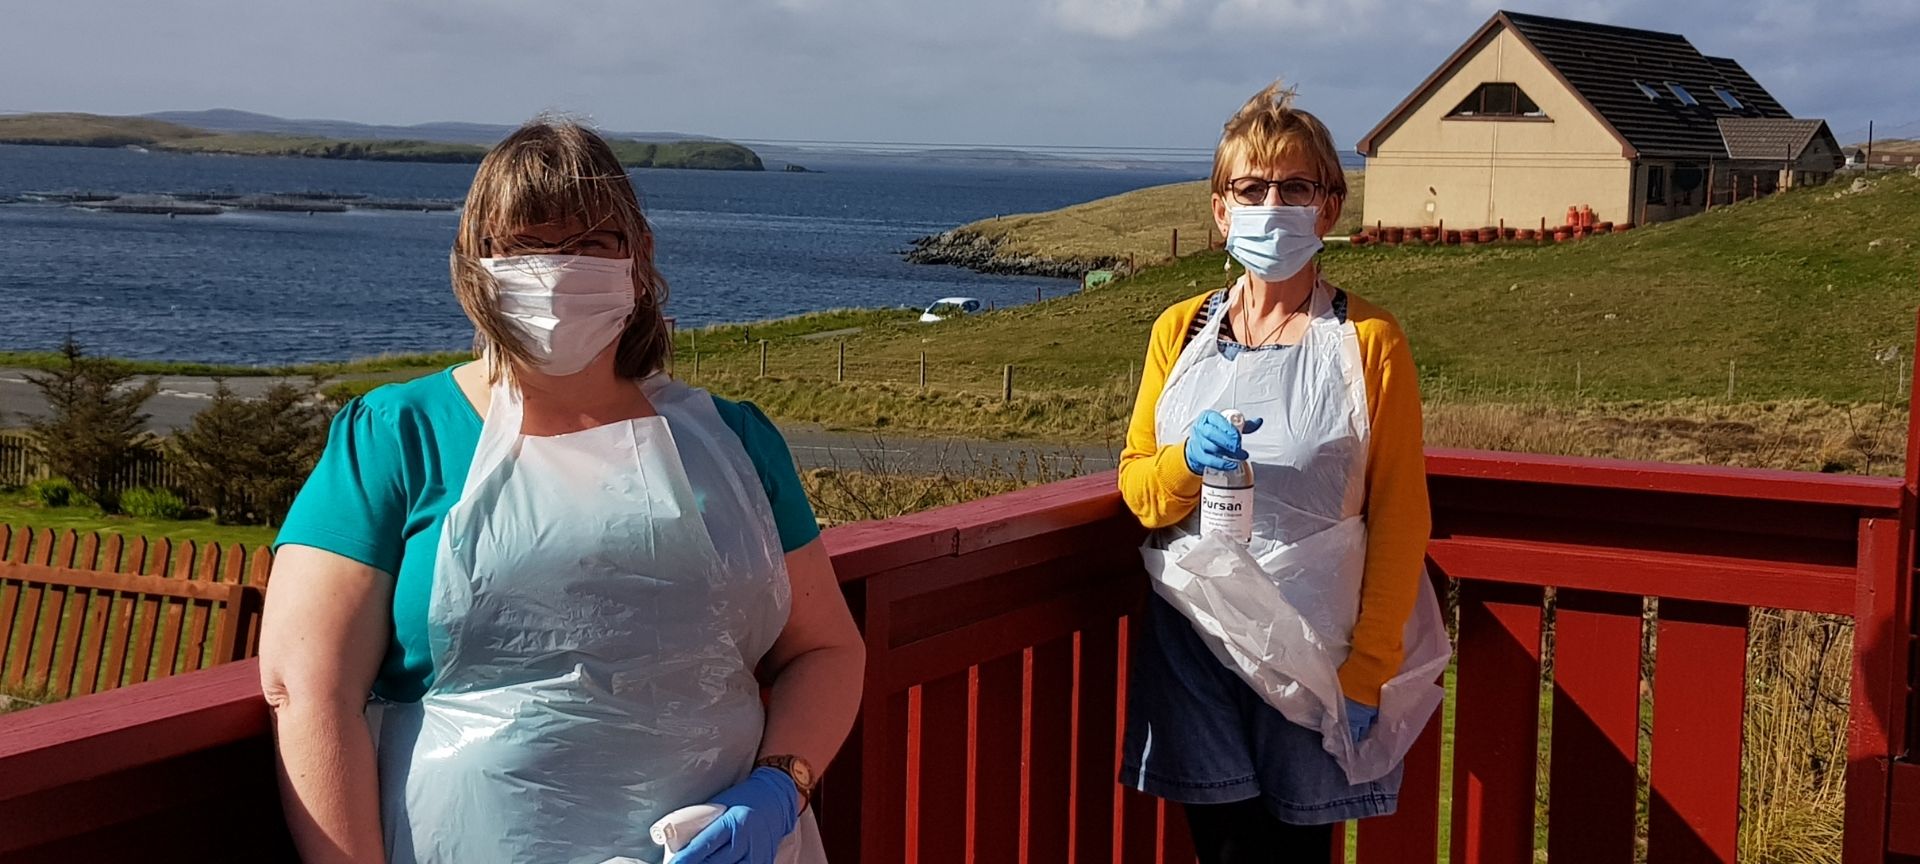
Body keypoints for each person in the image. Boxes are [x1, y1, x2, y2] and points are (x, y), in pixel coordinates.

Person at [258, 118, 864, 864]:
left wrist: (780, 786)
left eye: (592, 243)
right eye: (526, 244)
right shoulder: (395, 437)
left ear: (637, 260)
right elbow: (307, 688)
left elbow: (827, 649)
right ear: (475, 262)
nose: (559, 269)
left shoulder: (737, 445)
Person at [1116, 82, 1449, 863]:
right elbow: (1138, 488)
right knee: (1223, 851)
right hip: (1195, 636)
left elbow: (1401, 513)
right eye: (1252, 187)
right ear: (1221, 209)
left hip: (1319, 651)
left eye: (1296, 187)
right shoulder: (1178, 330)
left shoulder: (1369, 340)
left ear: (1329, 207)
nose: (1273, 204)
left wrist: (1368, 670)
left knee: (1295, 851)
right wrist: (1184, 464)